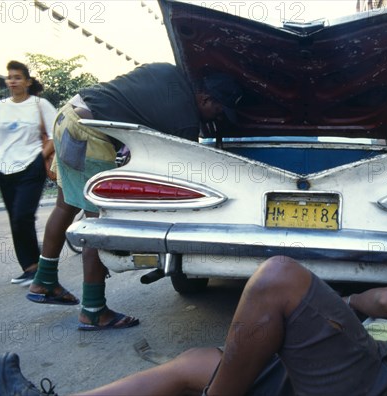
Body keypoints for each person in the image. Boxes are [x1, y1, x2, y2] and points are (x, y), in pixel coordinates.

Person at [0, 256, 387, 395]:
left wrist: (348, 301)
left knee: (280, 277)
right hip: (327, 381)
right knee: (198, 361)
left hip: (376, 387)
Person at [26, 63, 243, 331]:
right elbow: (182, 175)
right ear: (205, 99)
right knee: (98, 225)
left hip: (68, 115)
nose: (218, 117)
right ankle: (93, 311)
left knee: (65, 205)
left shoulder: (168, 71)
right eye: (219, 109)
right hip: (89, 133)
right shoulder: (185, 119)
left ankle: (44, 280)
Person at [0, 60, 57, 286]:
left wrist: (38, 158)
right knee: (15, 220)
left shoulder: (40, 104)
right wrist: (0, 157)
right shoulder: (1, 106)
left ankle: (37, 268)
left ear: (27, 82)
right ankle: (29, 267)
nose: (12, 81)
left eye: (17, 77)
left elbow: (56, 134)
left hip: (30, 165)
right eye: (10, 77)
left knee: (22, 215)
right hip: (5, 168)